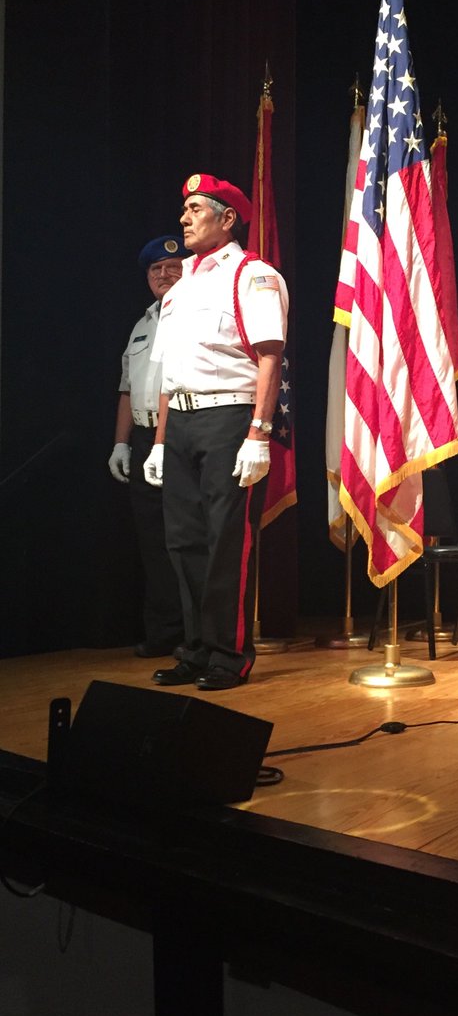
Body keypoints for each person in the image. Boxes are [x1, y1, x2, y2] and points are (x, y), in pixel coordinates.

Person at [143, 173, 289, 691]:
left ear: (227, 219)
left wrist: (259, 433)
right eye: (184, 209)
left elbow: (269, 356)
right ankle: (196, 649)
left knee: (226, 540)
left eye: (196, 209)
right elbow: (169, 371)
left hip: (229, 418)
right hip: (181, 421)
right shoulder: (180, 283)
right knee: (183, 543)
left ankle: (229, 655)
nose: (184, 218)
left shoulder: (253, 274)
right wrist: (159, 442)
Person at [108, 235, 189, 657]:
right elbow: (127, 389)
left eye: (173, 267)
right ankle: (163, 633)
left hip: (180, 434)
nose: (164, 274)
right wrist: (121, 444)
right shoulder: (141, 325)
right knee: (152, 541)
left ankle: (193, 635)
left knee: (183, 538)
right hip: (142, 437)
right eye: (156, 269)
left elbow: (176, 385)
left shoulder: (192, 315)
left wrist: (161, 442)